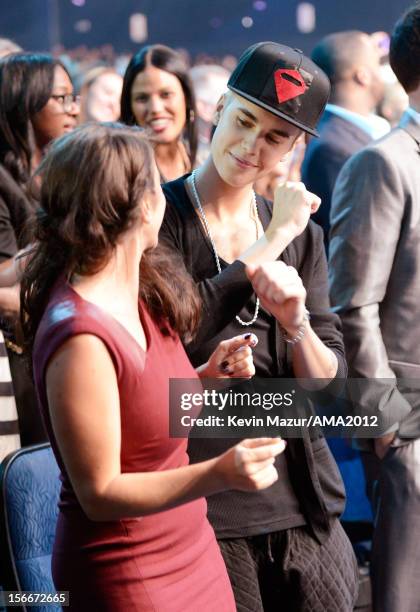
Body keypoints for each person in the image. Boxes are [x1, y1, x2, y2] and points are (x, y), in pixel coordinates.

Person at [21, 122, 287, 611]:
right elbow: (99, 493)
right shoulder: (79, 334)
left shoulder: (141, 286)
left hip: (190, 543)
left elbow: (142, 412)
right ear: (142, 206)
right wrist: (221, 473)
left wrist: (205, 378)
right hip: (128, 568)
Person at [160, 42, 358, 611]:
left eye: (275, 136)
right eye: (245, 121)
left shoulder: (302, 235)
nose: (252, 146)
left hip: (304, 502)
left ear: (294, 148)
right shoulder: (158, 218)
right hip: (202, 502)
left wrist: (297, 324)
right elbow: (177, 330)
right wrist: (271, 242)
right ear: (218, 109)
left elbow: (332, 392)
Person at [329, 5, 420, 612]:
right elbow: (353, 305)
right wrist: (385, 430)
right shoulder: (382, 162)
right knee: (405, 591)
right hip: (410, 419)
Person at [0, 52, 80, 446]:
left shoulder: (48, 174)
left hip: (42, 343)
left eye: (73, 98)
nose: (73, 110)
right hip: (13, 355)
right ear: (24, 102)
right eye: (60, 99)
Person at [301, 31, 387, 250]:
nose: (383, 73)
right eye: (378, 64)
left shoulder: (346, 134)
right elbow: (355, 240)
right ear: (362, 75)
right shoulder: (332, 147)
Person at [120, 44, 197, 181]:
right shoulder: (120, 175)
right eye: (142, 98)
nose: (155, 108)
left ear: (187, 98)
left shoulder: (209, 165)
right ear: (129, 105)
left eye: (166, 94)